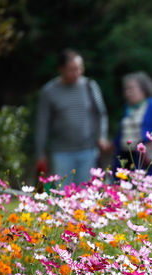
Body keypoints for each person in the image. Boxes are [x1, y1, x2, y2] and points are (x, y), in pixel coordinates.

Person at [35, 48, 110, 186]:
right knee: (62, 197)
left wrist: (102, 136)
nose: (78, 73)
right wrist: (40, 153)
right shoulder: (49, 92)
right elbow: (42, 124)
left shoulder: (90, 86)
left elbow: (101, 114)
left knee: (87, 196)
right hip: (61, 153)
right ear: (61, 69)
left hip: (88, 150)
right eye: (72, 69)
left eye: (80, 68)